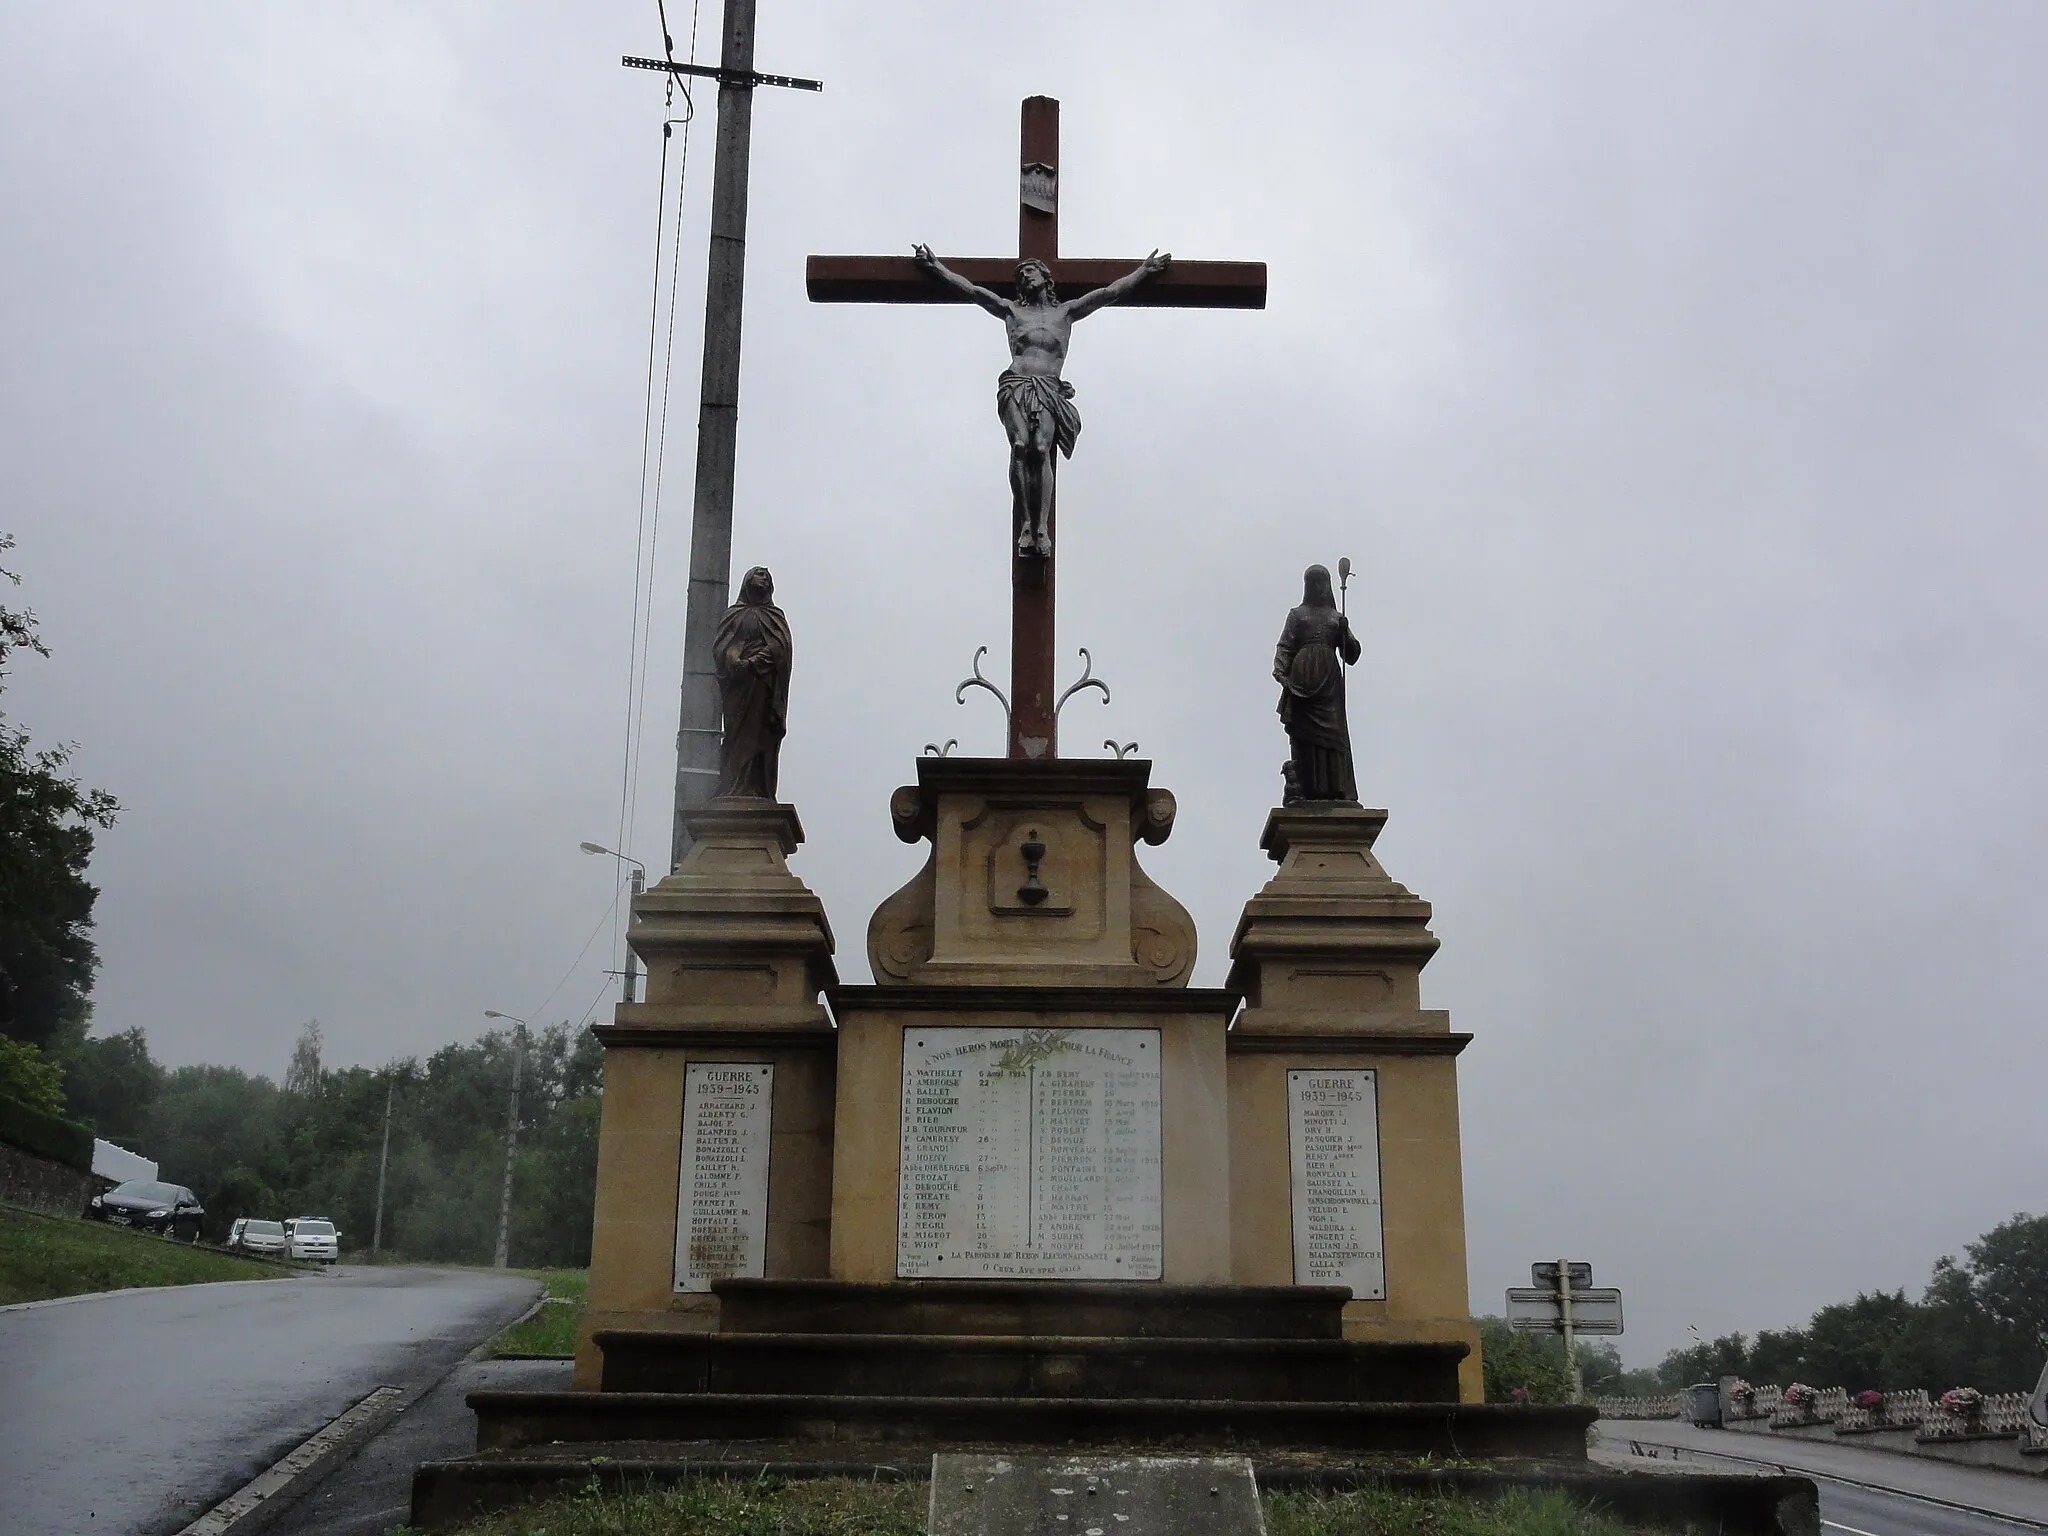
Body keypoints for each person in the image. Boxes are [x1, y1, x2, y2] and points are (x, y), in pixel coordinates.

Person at [912, 244, 1171, 557]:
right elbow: (972, 291)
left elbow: (1109, 292)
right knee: (1020, 446)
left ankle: (1041, 528)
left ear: (1045, 277)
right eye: (1020, 274)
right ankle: (1025, 525)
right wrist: (936, 266)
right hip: (1015, 383)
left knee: (1040, 450)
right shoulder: (1012, 311)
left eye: (1029, 271)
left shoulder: (1066, 313)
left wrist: (1143, 271)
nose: (1024, 277)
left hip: (1047, 386)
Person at [1273, 564, 1361, 803]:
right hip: (1302, 682)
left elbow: (1351, 655)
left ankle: (1335, 788)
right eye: (1311, 582)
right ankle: (1305, 788)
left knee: (1334, 733)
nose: (1316, 587)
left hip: (1328, 684)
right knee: (1304, 735)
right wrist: (1280, 670)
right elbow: (1285, 646)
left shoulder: (1336, 617)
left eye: (1320, 582)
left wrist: (1344, 634)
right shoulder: (1297, 614)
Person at [713, 567, 791, 799]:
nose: (763, 579)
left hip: (763, 686)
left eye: (767, 577)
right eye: (759, 575)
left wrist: (755, 662)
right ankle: (732, 786)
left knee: (761, 737)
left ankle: (757, 787)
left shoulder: (775, 617)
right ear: (747, 581)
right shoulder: (733, 615)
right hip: (739, 687)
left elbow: (781, 648)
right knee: (735, 737)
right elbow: (722, 646)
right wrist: (733, 660)